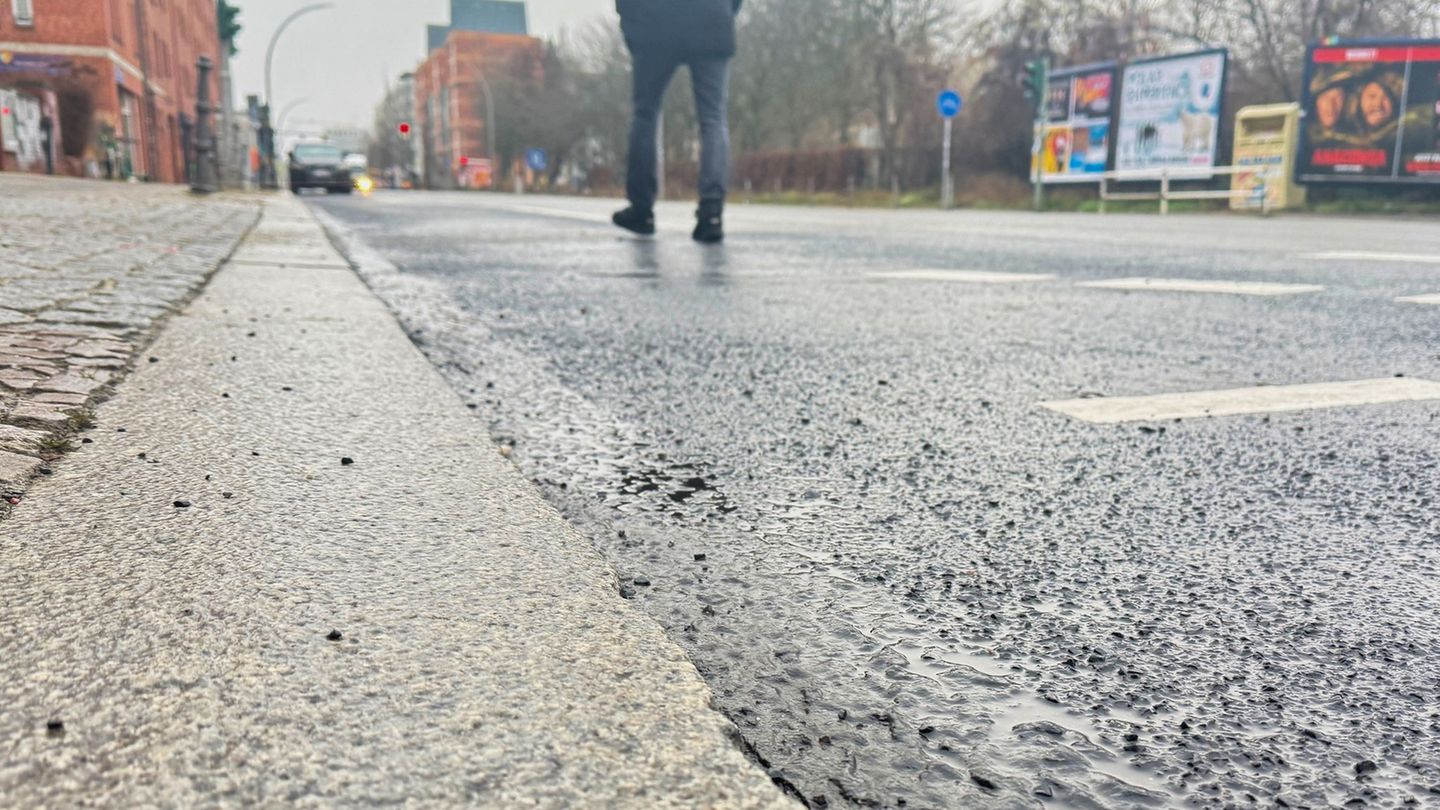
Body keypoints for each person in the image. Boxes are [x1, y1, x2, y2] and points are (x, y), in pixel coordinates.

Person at [612, 0, 742, 244]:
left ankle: (641, 210)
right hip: (711, 19)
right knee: (713, 118)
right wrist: (723, 10)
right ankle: (712, 212)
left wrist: (630, 22)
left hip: (655, 22)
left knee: (645, 114)